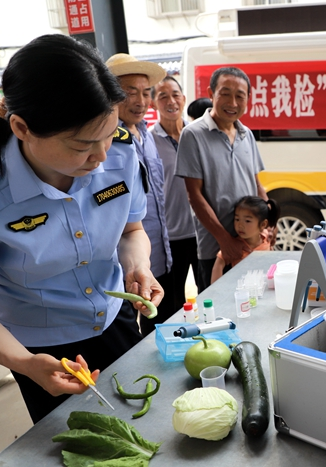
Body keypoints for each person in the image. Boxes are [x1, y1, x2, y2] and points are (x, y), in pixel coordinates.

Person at [0, 35, 163, 424]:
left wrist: (138, 266)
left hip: (115, 319)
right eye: (83, 146)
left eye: (107, 136)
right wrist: (26, 363)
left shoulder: (119, 150)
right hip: (39, 347)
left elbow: (132, 231)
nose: (101, 160)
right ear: (21, 127)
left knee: (144, 424)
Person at [176, 67, 268, 293]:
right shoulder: (193, 135)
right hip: (216, 250)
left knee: (254, 308)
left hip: (251, 246)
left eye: (240, 96)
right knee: (219, 313)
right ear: (211, 93)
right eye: (225, 93)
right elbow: (194, 195)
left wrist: (268, 222)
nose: (233, 102)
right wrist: (225, 240)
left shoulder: (246, 134)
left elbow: (257, 185)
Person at [105, 53, 176, 336]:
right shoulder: (107, 140)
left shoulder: (147, 133)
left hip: (159, 248)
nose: (141, 101)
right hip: (126, 260)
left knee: (166, 320)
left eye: (146, 93)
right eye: (129, 93)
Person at [150, 76, 198, 309]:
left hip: (203, 231)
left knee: (211, 292)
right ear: (153, 104)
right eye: (163, 96)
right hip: (171, 237)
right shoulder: (149, 140)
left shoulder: (197, 134)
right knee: (172, 303)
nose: (171, 101)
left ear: (184, 98)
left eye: (175, 95)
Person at [211, 196, 280, 283]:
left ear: (263, 224)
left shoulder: (266, 237)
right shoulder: (235, 247)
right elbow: (219, 264)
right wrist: (215, 290)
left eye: (247, 221)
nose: (240, 225)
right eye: (237, 219)